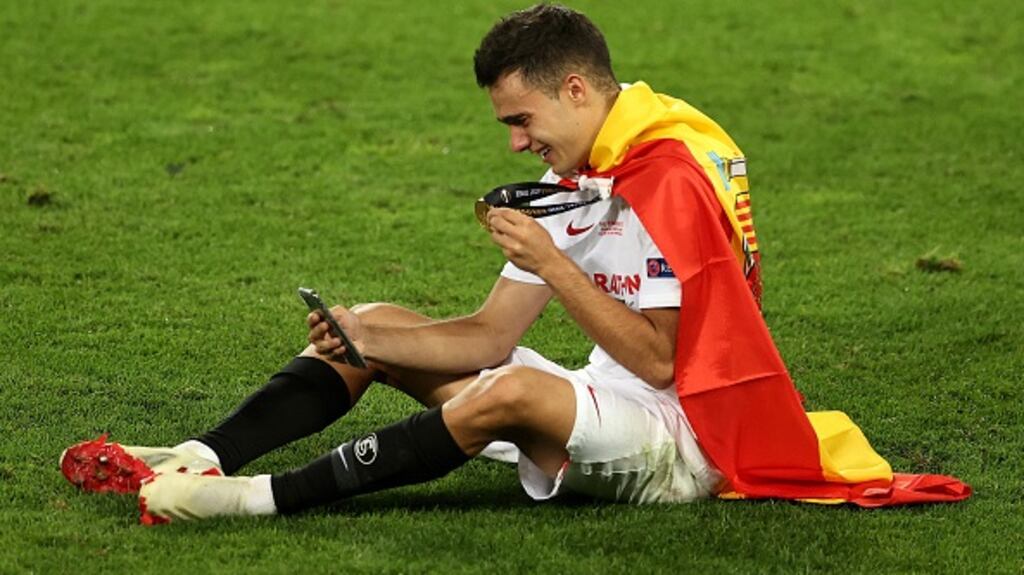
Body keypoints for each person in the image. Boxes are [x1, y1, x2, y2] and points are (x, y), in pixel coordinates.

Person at [60, 3, 970, 521]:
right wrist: (366, 337)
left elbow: (662, 362)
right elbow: (492, 332)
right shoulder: (586, 173)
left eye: (523, 120)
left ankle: (252, 501)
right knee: (378, 322)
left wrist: (553, 260)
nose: (517, 143)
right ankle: (194, 455)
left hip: (679, 438)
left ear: (577, 90)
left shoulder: (668, 183)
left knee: (511, 394)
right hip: (599, 396)